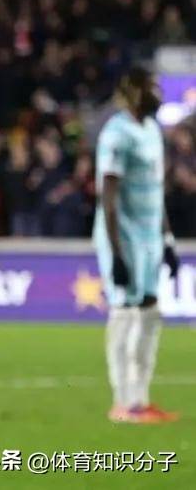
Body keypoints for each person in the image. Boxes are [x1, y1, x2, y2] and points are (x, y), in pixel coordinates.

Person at [94, 67, 180, 424]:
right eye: (153, 88)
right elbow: (108, 196)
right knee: (125, 313)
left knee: (150, 313)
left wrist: (168, 239)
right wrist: (116, 253)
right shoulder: (117, 133)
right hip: (124, 237)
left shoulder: (152, 130)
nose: (158, 94)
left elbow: (156, 193)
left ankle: (140, 400)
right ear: (135, 91)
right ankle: (123, 401)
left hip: (150, 237)